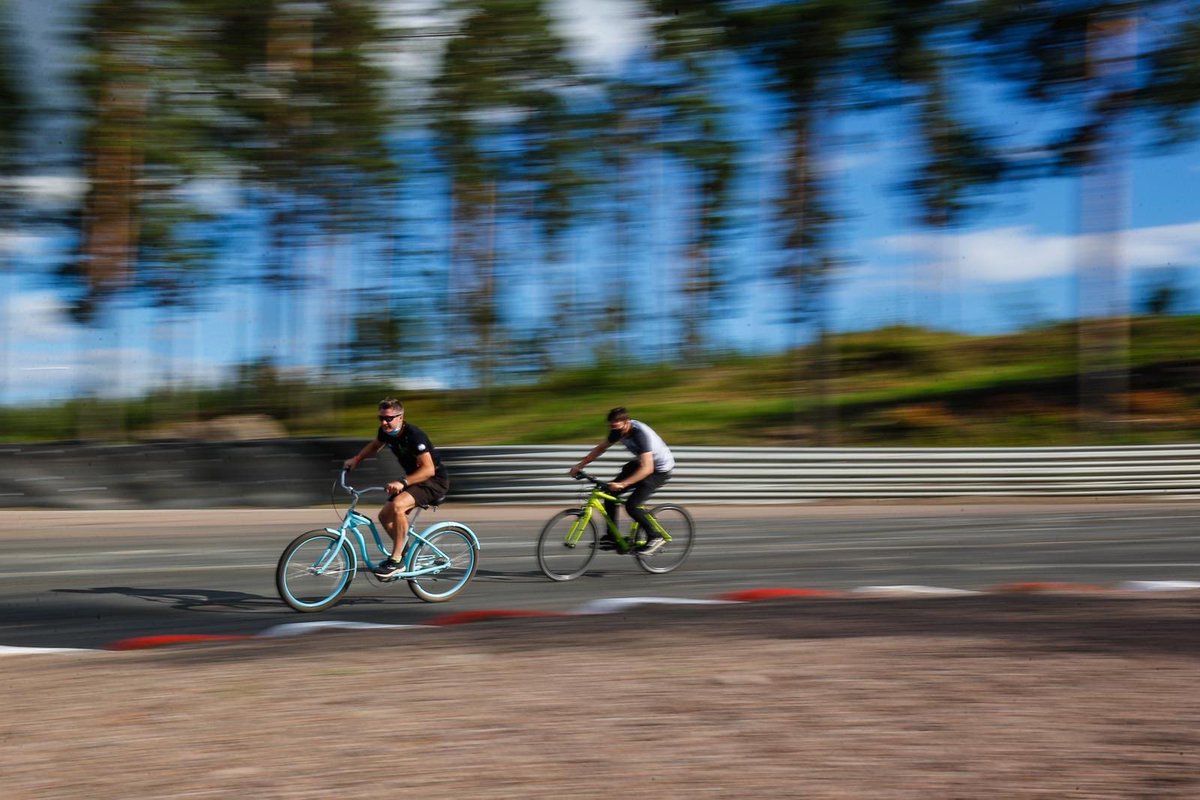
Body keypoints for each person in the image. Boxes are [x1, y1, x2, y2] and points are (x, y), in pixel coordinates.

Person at [343, 398, 450, 578]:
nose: (384, 422)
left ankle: (396, 560)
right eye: (381, 418)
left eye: (389, 418)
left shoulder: (414, 435)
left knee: (398, 506)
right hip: (414, 481)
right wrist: (357, 459)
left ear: (401, 417)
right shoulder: (385, 432)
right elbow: (375, 445)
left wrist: (403, 482)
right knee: (384, 516)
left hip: (434, 481)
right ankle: (405, 554)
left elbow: (428, 469)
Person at [569, 406, 675, 555]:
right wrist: (579, 466)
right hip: (641, 464)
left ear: (626, 422)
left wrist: (623, 484)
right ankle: (612, 538)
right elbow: (600, 449)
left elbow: (648, 469)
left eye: (616, 427)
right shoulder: (617, 431)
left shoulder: (639, 434)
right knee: (609, 494)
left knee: (632, 505)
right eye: (611, 427)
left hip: (659, 470)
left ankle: (654, 536)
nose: (614, 431)